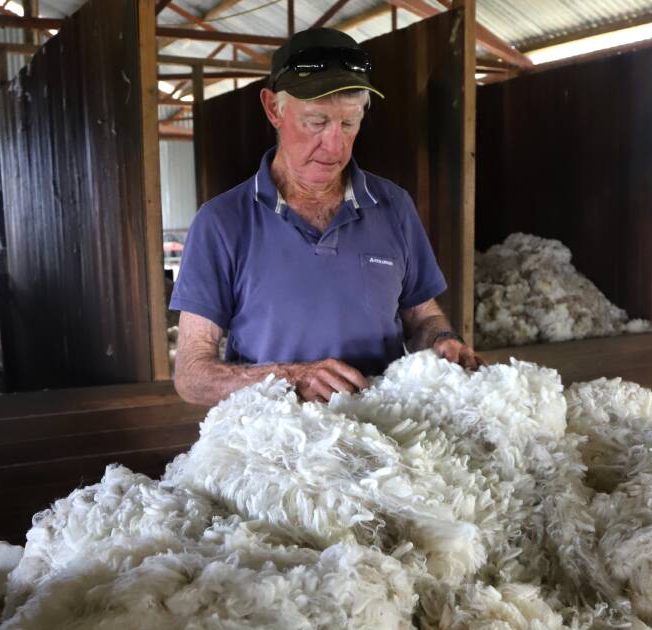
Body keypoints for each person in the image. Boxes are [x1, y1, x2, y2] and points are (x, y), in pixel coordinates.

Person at [170, 28, 482, 405]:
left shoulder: (393, 205)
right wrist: (292, 378)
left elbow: (420, 315)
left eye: (349, 123)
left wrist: (442, 341)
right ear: (273, 109)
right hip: (275, 443)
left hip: (383, 435)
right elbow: (192, 375)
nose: (335, 145)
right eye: (316, 122)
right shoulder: (221, 222)